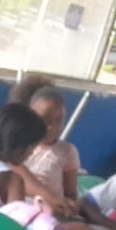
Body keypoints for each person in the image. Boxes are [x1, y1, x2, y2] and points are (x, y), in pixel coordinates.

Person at [10, 79, 80, 214]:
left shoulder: (67, 152)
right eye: (45, 119)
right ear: (29, 115)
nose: (51, 127)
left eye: (58, 120)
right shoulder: (16, 146)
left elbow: (70, 193)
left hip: (50, 213)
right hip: (19, 209)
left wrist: (70, 207)